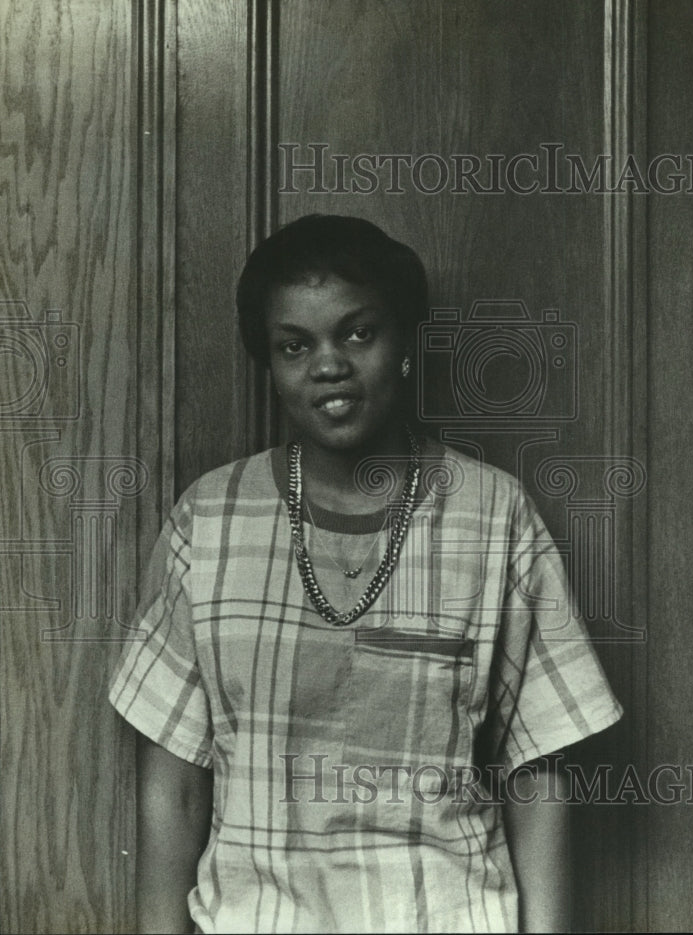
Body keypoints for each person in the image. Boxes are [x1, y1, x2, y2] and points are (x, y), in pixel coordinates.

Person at [109, 214, 623, 933]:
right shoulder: (209, 519)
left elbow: (540, 769)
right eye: (295, 345)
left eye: (358, 333)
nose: (329, 366)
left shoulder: (493, 514)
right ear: (270, 362)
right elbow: (174, 788)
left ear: (406, 341)